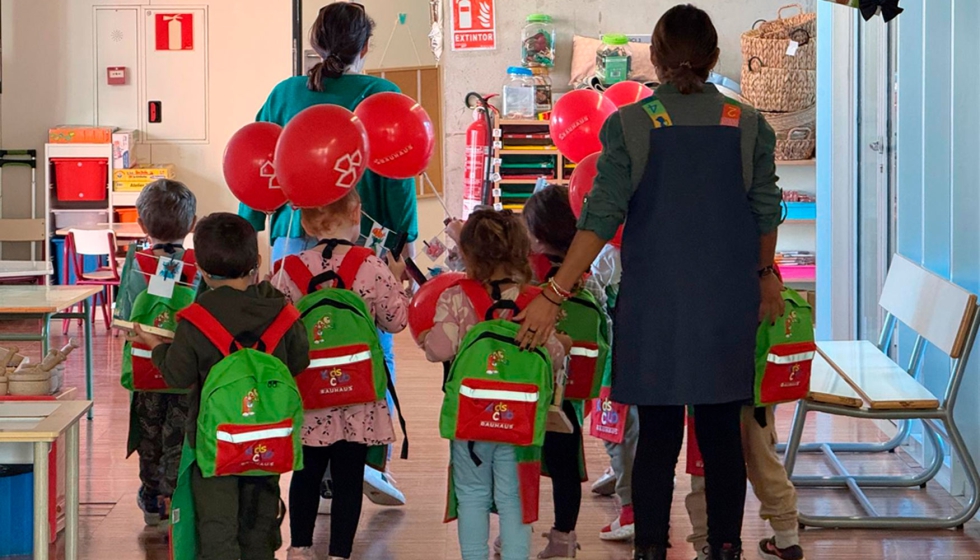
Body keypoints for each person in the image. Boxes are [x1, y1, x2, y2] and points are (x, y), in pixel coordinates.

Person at [515, 6, 785, 560]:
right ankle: (725, 549)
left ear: (655, 61)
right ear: (713, 58)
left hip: (654, 306)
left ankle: (651, 551)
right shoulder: (749, 123)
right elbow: (766, 211)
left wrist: (553, 293)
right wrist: (766, 279)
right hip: (726, 305)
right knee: (721, 435)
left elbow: (599, 218)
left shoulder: (630, 124)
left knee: (657, 436)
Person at [239, 2, 418, 504]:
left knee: (301, 347)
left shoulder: (285, 93)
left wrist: (252, 235)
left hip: (294, 239)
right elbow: (397, 177)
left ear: (316, 44)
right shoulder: (382, 95)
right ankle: (366, 461)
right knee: (369, 344)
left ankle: (312, 459)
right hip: (362, 240)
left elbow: (260, 168)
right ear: (365, 47)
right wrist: (400, 244)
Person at [129, 213, 310, 560]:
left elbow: (177, 375)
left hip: (215, 444)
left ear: (203, 270)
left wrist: (157, 347)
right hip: (269, 438)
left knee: (217, 524)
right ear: (256, 262)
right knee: (260, 521)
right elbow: (299, 361)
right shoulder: (281, 311)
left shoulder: (197, 318)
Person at [420, 210, 569, 560]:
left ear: (468, 253)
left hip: (471, 419)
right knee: (514, 498)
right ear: (520, 251)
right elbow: (555, 356)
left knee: (470, 494)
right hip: (520, 419)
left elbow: (438, 350)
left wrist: (429, 336)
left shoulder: (456, 296)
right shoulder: (536, 301)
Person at [271, 190, 409, 560]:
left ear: (304, 222)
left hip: (310, 391)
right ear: (357, 213)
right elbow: (396, 322)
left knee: (306, 473)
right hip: (357, 395)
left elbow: (274, 328)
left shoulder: (289, 269)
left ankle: (299, 548)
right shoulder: (371, 265)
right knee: (349, 477)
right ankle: (339, 554)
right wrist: (399, 281)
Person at [118, 179, 197, 527]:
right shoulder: (198, 264)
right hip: (184, 368)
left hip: (145, 365)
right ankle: (176, 494)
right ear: (192, 225)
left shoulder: (136, 261)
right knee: (178, 432)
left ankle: (152, 499)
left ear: (140, 224)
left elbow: (123, 312)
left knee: (149, 433)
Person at [522, 185, 587, 557]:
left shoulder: (534, 271)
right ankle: (564, 536)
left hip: (530, 387)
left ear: (539, 233)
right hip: (568, 394)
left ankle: (517, 529)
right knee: (566, 464)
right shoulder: (584, 269)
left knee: (523, 461)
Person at [686, 406, 806, 560]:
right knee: (765, 466)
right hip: (753, 395)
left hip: (706, 395)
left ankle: (705, 549)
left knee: (707, 473)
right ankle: (787, 541)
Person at [584, 242, 639, 543]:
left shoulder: (607, 255)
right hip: (650, 359)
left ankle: (630, 509)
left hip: (614, 366)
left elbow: (593, 295)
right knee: (639, 432)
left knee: (618, 434)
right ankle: (628, 485)